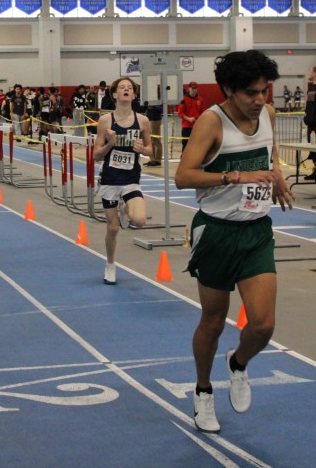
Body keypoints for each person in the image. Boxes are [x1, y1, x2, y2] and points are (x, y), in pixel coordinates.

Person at [174, 50, 294, 435]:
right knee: (213, 320)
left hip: (256, 231)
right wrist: (235, 176)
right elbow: (183, 177)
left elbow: (270, 154)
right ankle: (203, 391)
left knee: (263, 325)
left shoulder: (268, 115)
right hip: (216, 232)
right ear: (228, 90)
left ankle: (238, 363)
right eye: (250, 93)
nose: (260, 100)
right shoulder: (212, 122)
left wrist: (276, 174)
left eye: (264, 91)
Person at [94, 77, 151, 285]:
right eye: (122, 88)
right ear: (115, 94)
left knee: (140, 220)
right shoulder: (105, 121)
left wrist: (142, 149)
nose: (126, 90)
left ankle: (125, 208)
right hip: (110, 179)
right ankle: (110, 265)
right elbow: (96, 156)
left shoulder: (142, 121)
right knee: (113, 229)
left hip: (131, 179)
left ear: (134, 95)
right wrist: (110, 144)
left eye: (129, 88)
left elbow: (151, 151)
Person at [178, 81, 205, 154]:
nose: (194, 90)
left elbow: (202, 112)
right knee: (186, 145)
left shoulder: (200, 99)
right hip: (187, 126)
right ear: (189, 88)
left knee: (197, 144)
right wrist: (188, 119)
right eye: (193, 88)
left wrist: (199, 119)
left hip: (197, 126)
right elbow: (180, 113)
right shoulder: (184, 99)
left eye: (195, 88)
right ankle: (184, 158)